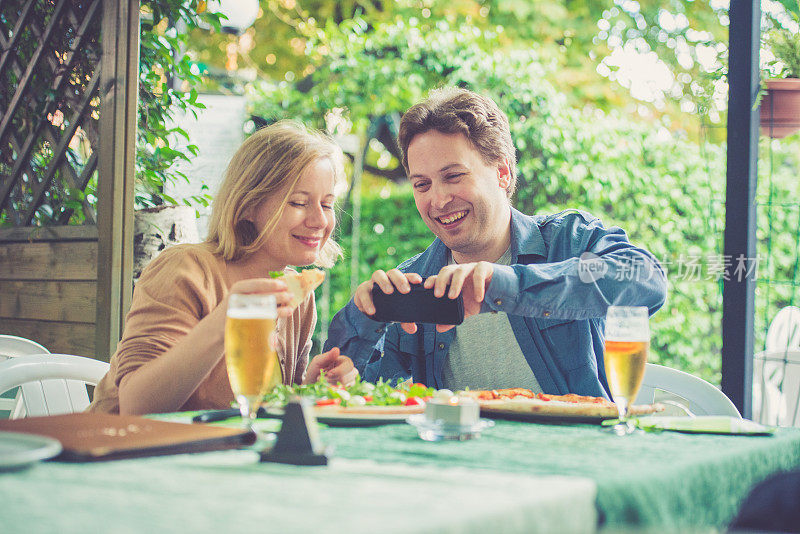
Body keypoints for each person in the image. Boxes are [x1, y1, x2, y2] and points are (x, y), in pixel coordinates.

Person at [324, 88, 667, 397]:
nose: (438, 200)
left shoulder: (569, 239)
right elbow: (360, 392)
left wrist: (504, 285)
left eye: (453, 176)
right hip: (460, 462)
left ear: (502, 172)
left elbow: (647, 280)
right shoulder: (412, 284)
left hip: (575, 456)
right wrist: (364, 315)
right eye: (422, 184)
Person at [90, 121, 358, 415]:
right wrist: (225, 323)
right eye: (298, 202)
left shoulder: (299, 298)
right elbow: (137, 406)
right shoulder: (184, 270)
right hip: (121, 450)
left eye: (328, 204)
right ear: (248, 205)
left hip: (220, 453)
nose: (320, 221)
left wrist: (310, 387)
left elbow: (264, 408)